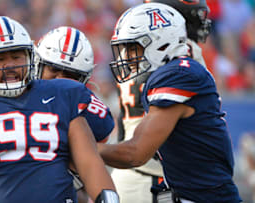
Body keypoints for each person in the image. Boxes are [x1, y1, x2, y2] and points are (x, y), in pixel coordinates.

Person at [0, 16, 119, 203]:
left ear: (30, 57)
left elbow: (90, 161)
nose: (10, 65)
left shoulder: (64, 94)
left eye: (16, 56)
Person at [98, 3, 241, 202]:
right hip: (173, 184)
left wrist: (83, 147)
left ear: (161, 42)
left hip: (199, 193)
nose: (127, 58)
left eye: (133, 48)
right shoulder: (168, 72)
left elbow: (136, 153)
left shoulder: (179, 72)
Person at [35, 26, 115, 203]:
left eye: (69, 75)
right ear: (37, 65)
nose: (60, 80)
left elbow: (90, 170)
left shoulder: (90, 109)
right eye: (53, 70)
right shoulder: (16, 93)